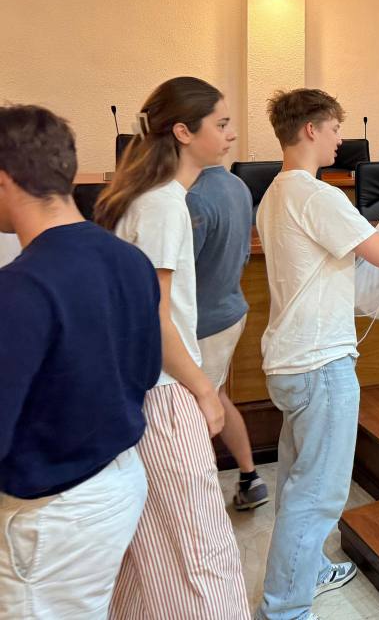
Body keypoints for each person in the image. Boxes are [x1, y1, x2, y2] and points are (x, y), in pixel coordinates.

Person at [256, 88, 379, 620]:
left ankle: (310, 569)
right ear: (311, 129)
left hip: (291, 359)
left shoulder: (275, 193)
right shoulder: (317, 196)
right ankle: (284, 610)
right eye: (335, 129)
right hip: (320, 363)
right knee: (316, 493)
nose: (340, 140)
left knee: (298, 478)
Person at [95, 77, 249, 619]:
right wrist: (205, 390)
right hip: (164, 392)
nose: (231, 134)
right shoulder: (162, 205)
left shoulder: (148, 198)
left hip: (142, 389)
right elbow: (155, 317)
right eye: (221, 124)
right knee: (200, 546)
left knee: (155, 547)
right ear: (183, 132)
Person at [0, 105, 161, 618]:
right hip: (118, 482)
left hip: (53, 513)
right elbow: (144, 373)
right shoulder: (130, 259)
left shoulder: (21, 287)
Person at [187, 162, 269, 510]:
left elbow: (179, 273)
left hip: (202, 323)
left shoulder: (193, 198)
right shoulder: (237, 185)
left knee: (197, 413)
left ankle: (200, 502)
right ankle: (250, 478)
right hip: (230, 310)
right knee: (216, 395)